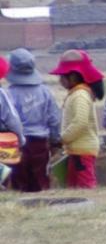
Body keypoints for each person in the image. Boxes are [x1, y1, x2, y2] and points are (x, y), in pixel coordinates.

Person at [5, 48, 63, 191]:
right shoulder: (45, 91)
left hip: (16, 143)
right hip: (40, 143)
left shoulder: (9, 94)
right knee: (40, 180)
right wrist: (55, 141)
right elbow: (54, 119)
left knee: (18, 181)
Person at [52, 51, 104, 190]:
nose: (60, 80)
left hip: (82, 150)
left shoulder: (80, 95)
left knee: (85, 185)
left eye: (62, 76)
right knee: (74, 186)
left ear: (73, 77)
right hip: (76, 150)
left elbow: (80, 123)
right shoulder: (76, 94)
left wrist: (62, 139)